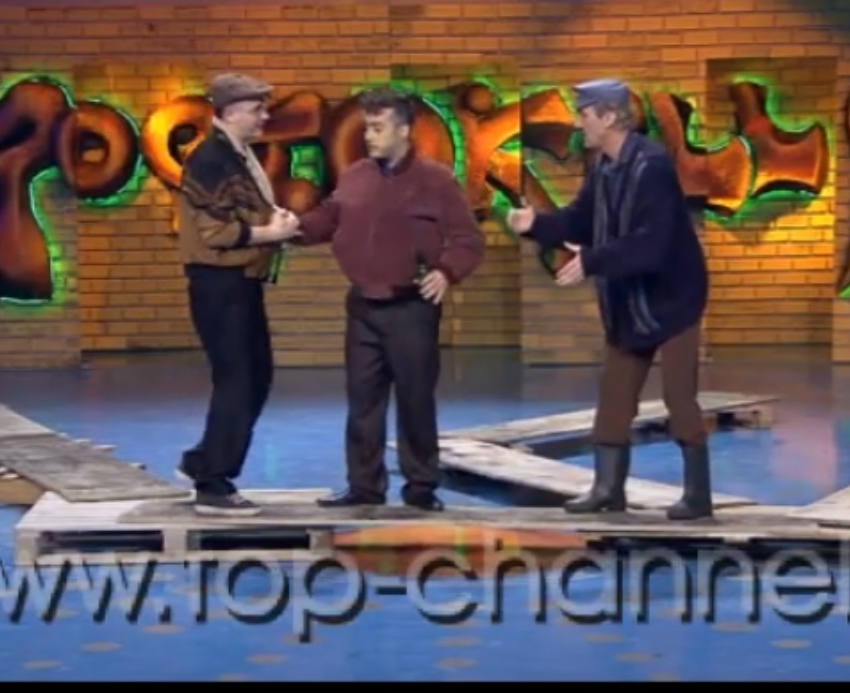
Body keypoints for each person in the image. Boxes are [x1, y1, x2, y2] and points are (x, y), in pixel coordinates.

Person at [507, 78, 713, 521]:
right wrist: (536, 225)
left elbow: (652, 244)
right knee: (615, 395)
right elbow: (580, 220)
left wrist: (593, 260)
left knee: (679, 397)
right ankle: (607, 489)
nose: (577, 122)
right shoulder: (603, 166)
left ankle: (698, 495)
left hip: (673, 298)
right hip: (627, 300)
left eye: (584, 113)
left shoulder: (652, 166)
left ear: (610, 116)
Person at [294, 88, 486, 512]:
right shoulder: (355, 175)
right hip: (363, 306)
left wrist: (446, 271)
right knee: (363, 402)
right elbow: (329, 217)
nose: (368, 136)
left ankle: (420, 487)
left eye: (377, 128)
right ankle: (364, 486)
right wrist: (294, 227)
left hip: (411, 307)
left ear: (403, 130)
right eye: (367, 127)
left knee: (415, 401)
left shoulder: (436, 180)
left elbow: (468, 239)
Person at [175, 73, 301, 517]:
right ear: (229, 113)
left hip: (239, 282)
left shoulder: (236, 154)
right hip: (219, 283)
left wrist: (276, 221)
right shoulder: (211, 159)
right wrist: (272, 233)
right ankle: (213, 483)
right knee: (239, 379)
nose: (264, 117)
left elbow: (244, 211)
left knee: (256, 374)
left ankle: (203, 460)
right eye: (256, 109)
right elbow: (217, 232)